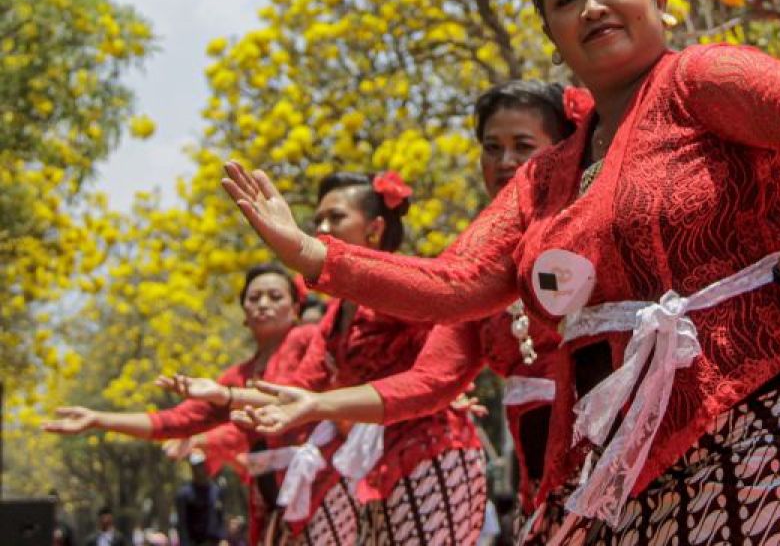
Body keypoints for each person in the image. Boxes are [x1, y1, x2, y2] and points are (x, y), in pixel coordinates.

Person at [221, 0, 780, 544]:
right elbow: (457, 283)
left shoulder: (699, 79)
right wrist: (311, 253)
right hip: (631, 441)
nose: (592, 7)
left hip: (775, 396)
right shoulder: (549, 177)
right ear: (550, 31)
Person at [235, 81, 576, 524]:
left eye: (522, 146)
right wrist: (312, 405)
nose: (504, 161)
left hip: (614, 444)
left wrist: (308, 253)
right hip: (528, 475)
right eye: (491, 147)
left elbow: (432, 295)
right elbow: (432, 377)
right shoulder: (477, 267)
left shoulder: (590, 221)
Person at [201, 170, 488, 544]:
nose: (322, 227)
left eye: (335, 218)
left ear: (374, 230)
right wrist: (226, 396)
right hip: (374, 463)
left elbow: (445, 355)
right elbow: (299, 389)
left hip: (432, 452)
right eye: (317, 220)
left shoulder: (405, 283)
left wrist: (454, 387)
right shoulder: (336, 317)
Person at [43, 265, 317, 545]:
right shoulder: (238, 377)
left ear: (296, 307)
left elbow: (301, 399)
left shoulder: (310, 340)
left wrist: (223, 406)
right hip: (269, 499)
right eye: (254, 297)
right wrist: (98, 419)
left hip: (321, 483)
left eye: (275, 296)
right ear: (244, 314)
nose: (263, 304)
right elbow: (172, 421)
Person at [175, 454, 226, 546]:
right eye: (196, 466)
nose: (199, 469)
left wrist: (223, 538)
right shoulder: (185, 494)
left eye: (201, 465)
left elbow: (220, 517)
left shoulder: (216, 491)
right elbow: (182, 525)